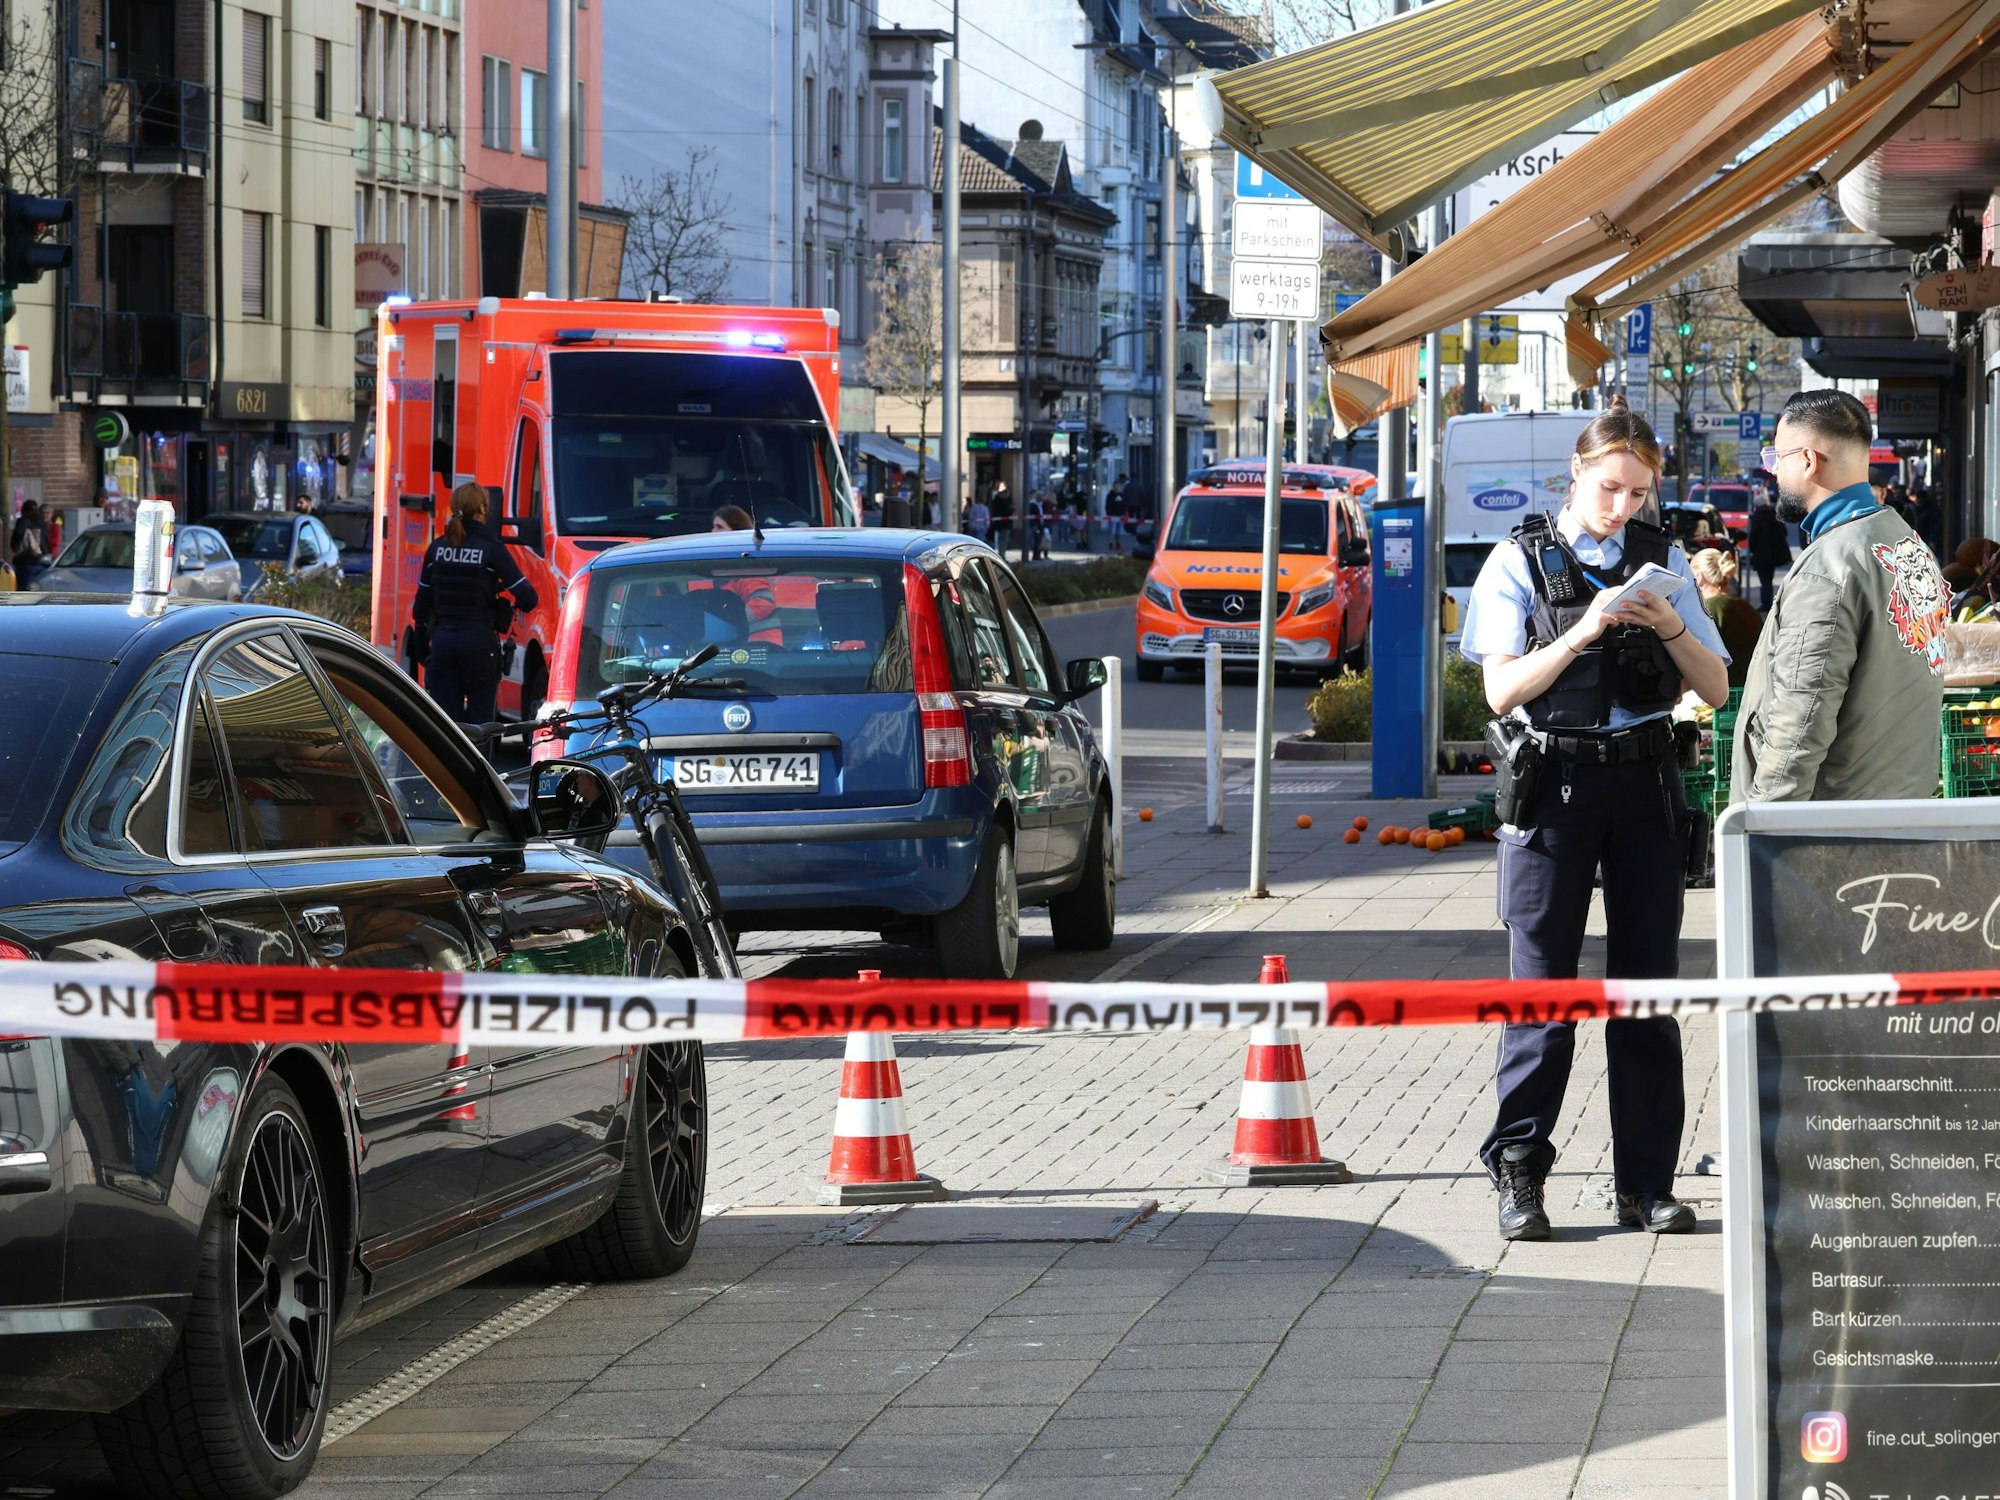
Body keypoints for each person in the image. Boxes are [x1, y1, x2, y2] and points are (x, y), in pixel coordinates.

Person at [1459, 392, 1730, 1243]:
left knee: (1646, 994)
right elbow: (1500, 690)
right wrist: (1581, 635)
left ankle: (1646, 1185)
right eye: (1610, 488)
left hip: (1647, 785)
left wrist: (1672, 621)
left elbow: (1716, 687)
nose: (1623, 508)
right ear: (1576, 474)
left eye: (1639, 492)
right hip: (1556, 787)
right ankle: (1520, 1176)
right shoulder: (1520, 560)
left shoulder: (1665, 560)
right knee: (1542, 992)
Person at [1734, 389, 1947, 803]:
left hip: (1831, 831)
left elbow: (1800, 721)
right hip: (1898, 806)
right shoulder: (1908, 543)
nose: (1772, 473)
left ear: (1808, 461)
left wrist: (1762, 828)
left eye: (1777, 459)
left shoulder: (1828, 569)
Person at [412, 482, 539, 724]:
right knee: (481, 726)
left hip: (443, 644)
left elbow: (421, 605)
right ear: (482, 509)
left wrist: (423, 650)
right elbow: (528, 597)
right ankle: (477, 763)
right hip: (479, 645)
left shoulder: (437, 548)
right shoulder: (492, 550)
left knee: (446, 727)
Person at [1688, 548, 1761, 688]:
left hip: (1722, 692)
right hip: (1752, 689)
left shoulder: (1707, 610)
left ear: (1699, 577)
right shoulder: (1746, 607)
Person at [1746, 498, 1790, 612]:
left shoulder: (1757, 517)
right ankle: (1768, 603)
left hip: (1761, 554)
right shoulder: (1775, 515)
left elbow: (1753, 536)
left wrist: (1752, 549)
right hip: (1774, 554)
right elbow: (1784, 533)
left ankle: (1766, 605)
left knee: (1765, 581)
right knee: (1768, 580)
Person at [10, 500, 49, 586]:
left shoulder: (23, 521)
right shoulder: (42, 522)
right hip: (42, 562)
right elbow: (47, 541)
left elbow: (15, 541)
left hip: (25, 562)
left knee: (24, 591)